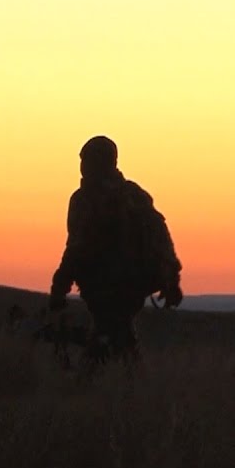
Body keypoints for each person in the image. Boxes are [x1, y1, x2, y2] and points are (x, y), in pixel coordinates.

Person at [49, 135, 183, 366]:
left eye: (86, 160)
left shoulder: (86, 199)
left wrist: (60, 286)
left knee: (106, 341)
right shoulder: (134, 194)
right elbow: (162, 238)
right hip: (133, 286)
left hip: (103, 287)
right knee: (118, 338)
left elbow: (76, 247)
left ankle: (102, 389)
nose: (82, 166)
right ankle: (127, 387)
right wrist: (170, 279)